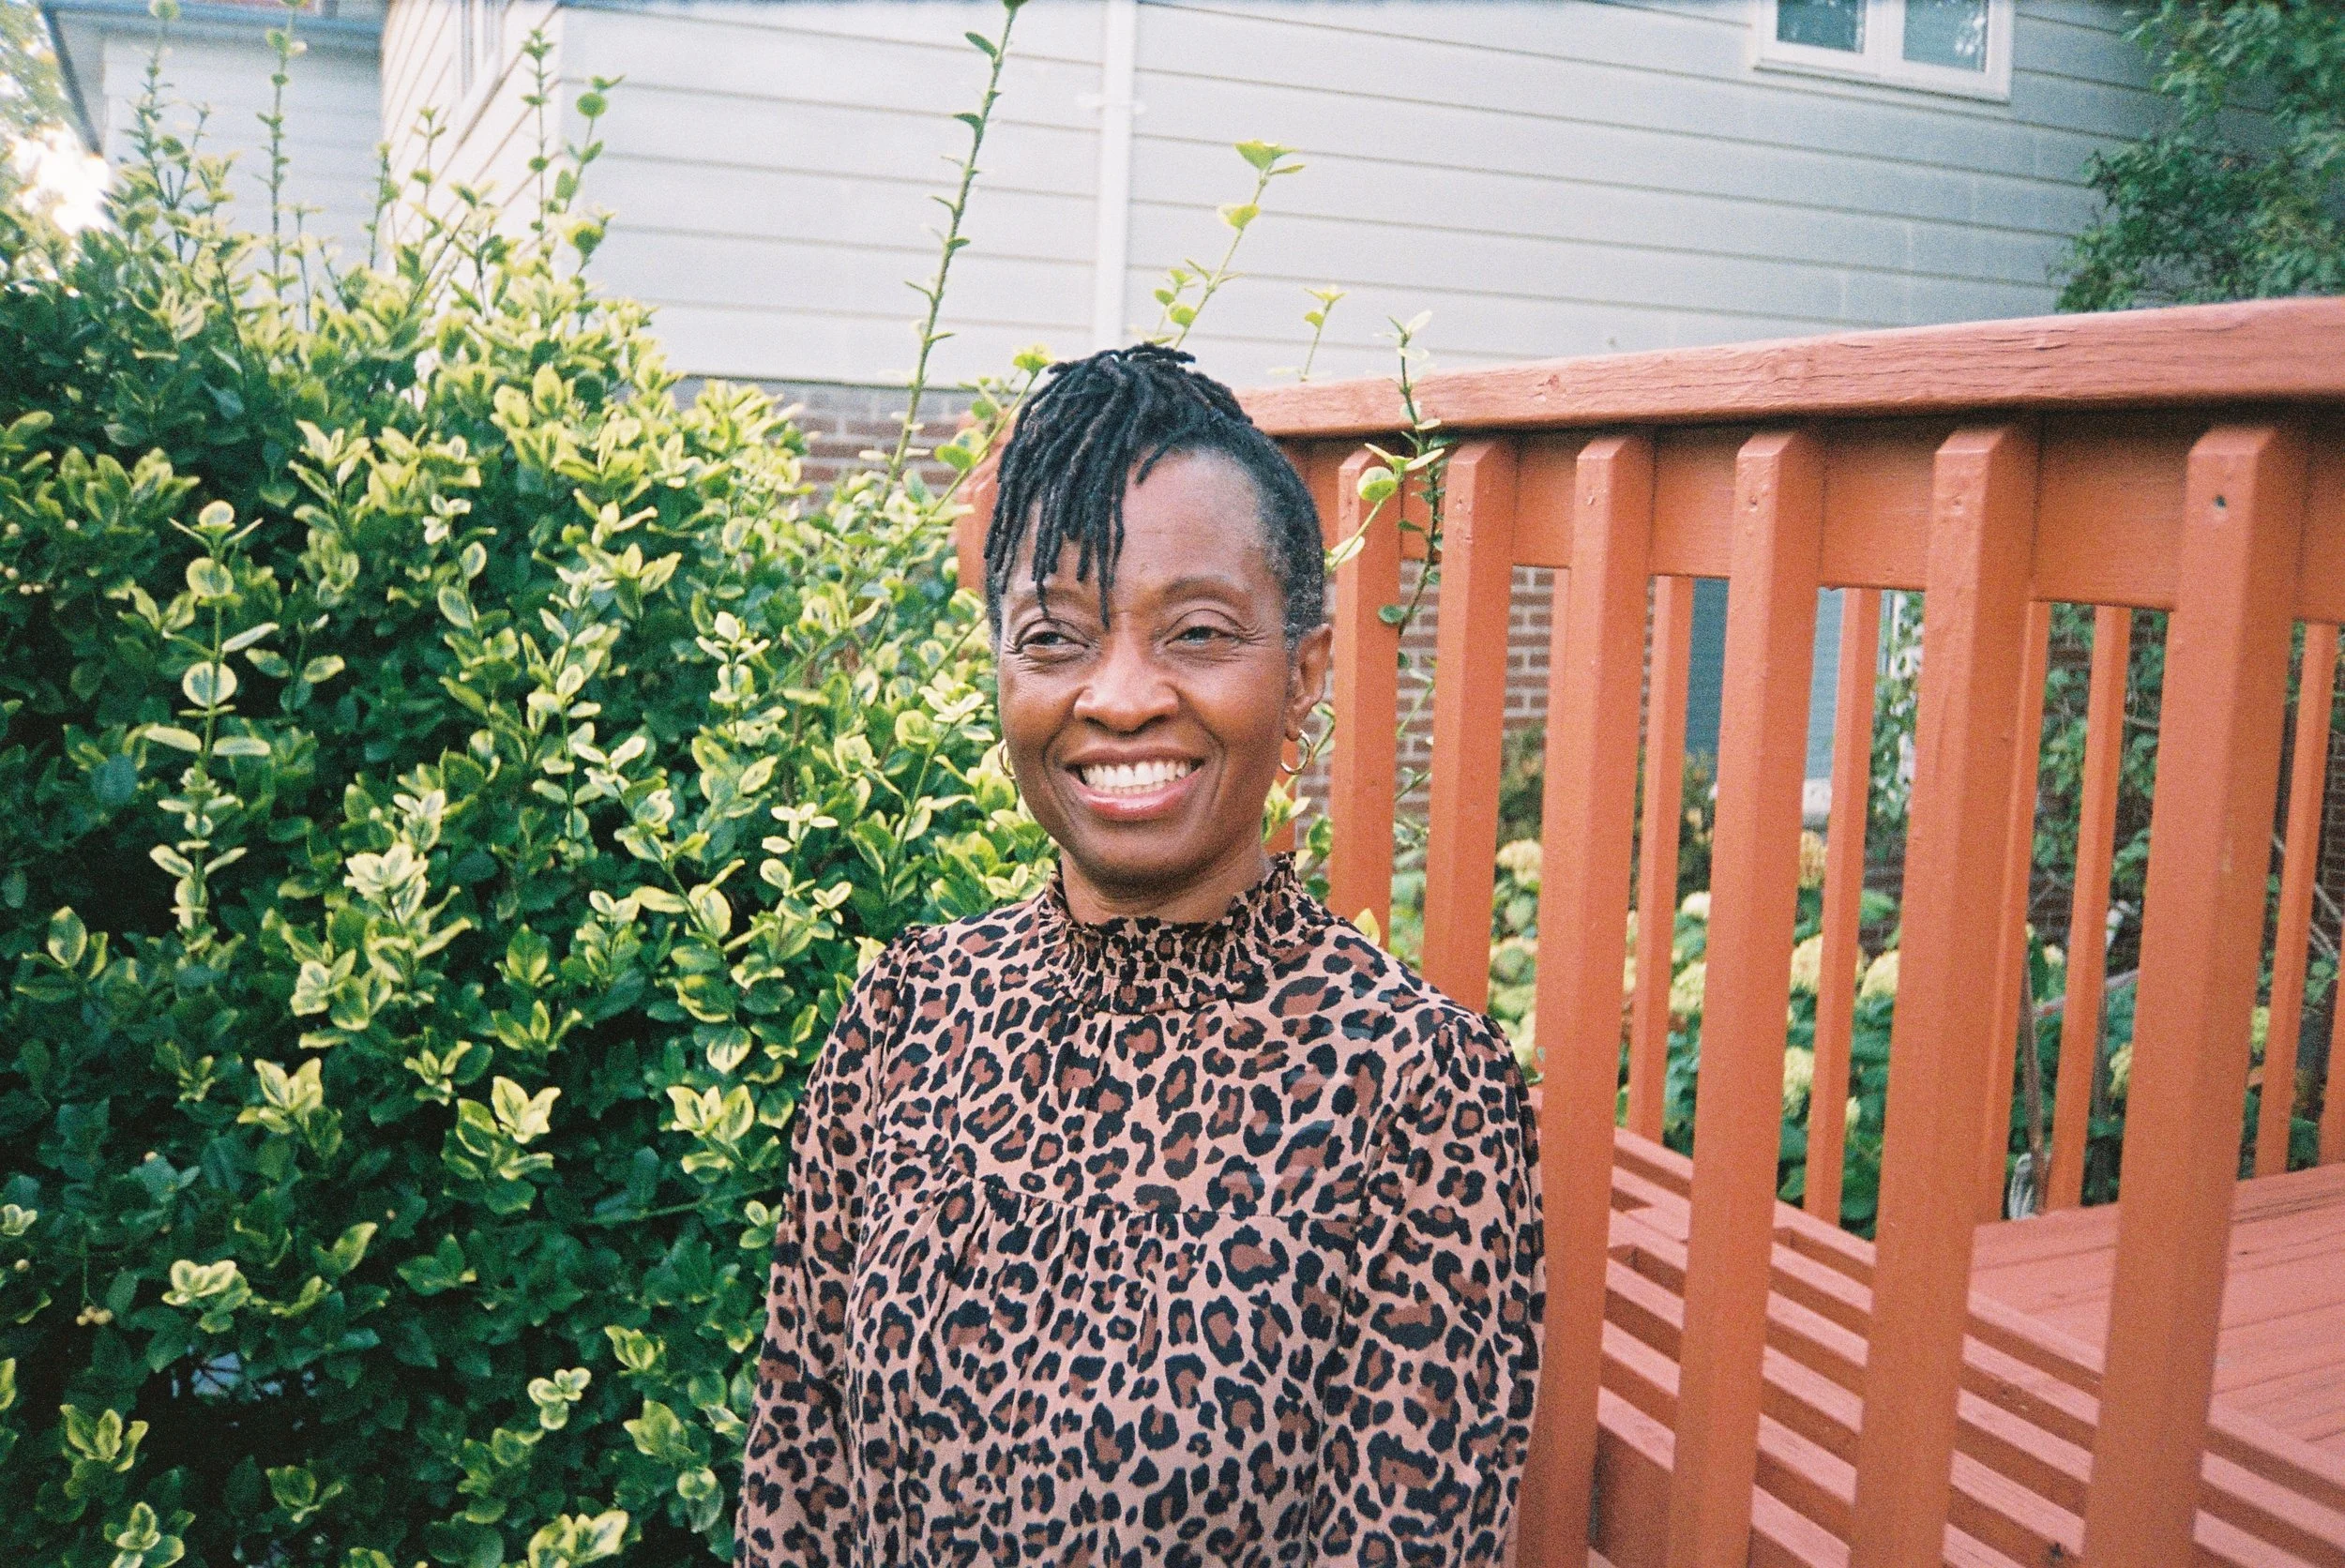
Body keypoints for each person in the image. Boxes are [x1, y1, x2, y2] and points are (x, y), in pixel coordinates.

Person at [737, 345, 1546, 1567]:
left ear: (1302, 677)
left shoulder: (1413, 1089)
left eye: (1200, 632)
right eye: (1056, 636)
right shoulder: (903, 1016)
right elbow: (795, 1476)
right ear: (1002, 667)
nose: (1118, 696)